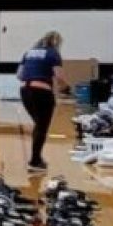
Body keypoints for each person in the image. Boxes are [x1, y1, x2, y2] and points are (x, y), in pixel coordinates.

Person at [17, 31, 66, 171]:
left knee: (39, 125)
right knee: (42, 127)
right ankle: (34, 161)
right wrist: (66, 88)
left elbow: (19, 75)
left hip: (25, 92)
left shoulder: (28, 53)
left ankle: (37, 158)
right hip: (42, 92)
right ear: (56, 42)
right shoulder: (53, 54)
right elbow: (59, 77)